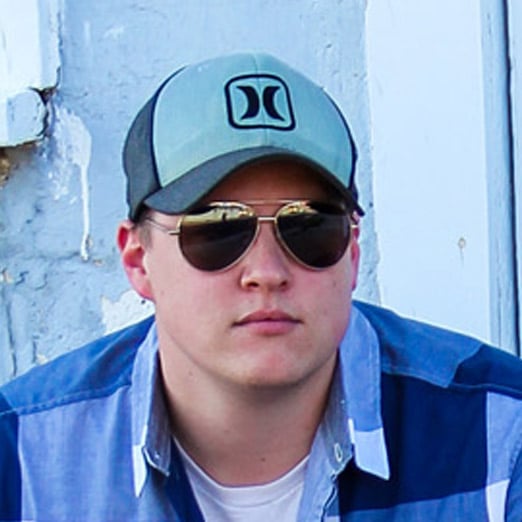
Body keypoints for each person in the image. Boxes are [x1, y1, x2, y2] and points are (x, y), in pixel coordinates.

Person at [1, 53, 521, 522]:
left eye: (309, 226)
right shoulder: (20, 458)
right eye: (217, 229)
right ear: (138, 260)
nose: (267, 271)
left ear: (352, 252)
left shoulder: (501, 434)